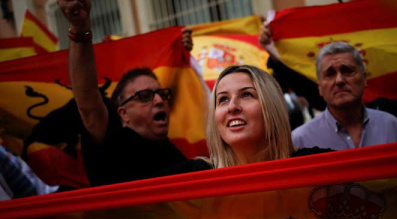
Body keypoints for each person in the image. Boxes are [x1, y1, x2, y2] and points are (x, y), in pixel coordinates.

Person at [57, 0, 192, 186]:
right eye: (145, 96)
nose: (160, 100)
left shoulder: (174, 154)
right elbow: (88, 101)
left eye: (162, 94)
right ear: (123, 114)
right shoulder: (113, 144)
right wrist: (80, 29)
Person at [151, 65, 332, 176]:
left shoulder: (317, 165)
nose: (232, 107)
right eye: (223, 99)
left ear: (272, 106)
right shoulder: (193, 175)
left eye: (246, 95)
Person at [292, 41, 397, 150]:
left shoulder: (391, 126)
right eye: (330, 74)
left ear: (364, 79)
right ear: (320, 87)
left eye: (347, 71)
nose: (339, 80)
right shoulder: (301, 140)